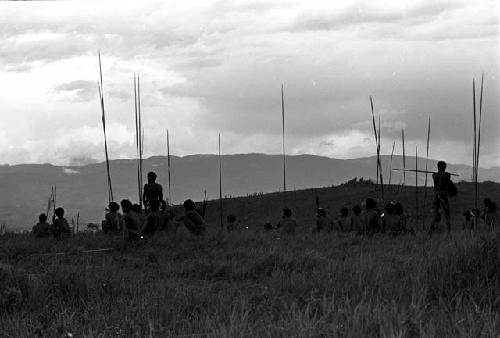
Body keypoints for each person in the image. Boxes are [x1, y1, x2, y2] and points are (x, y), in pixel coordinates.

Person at [429, 161, 453, 236]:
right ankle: (449, 232)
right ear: (445, 167)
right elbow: (448, 180)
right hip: (443, 196)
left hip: (436, 196)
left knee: (434, 214)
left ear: (437, 167)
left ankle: (430, 231)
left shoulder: (434, 175)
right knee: (447, 214)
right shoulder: (447, 175)